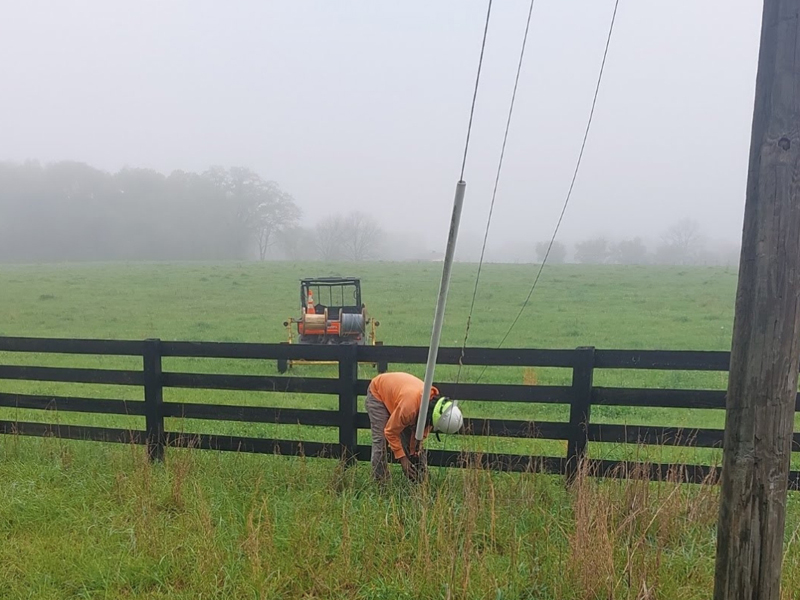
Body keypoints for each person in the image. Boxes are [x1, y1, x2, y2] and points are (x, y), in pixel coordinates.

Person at [365, 371, 464, 482]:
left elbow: (418, 435)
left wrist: (414, 452)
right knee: (381, 441)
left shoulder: (434, 408)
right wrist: (403, 460)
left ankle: (421, 480)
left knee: (414, 446)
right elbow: (390, 432)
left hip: (401, 397)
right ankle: (381, 483)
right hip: (378, 392)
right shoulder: (409, 409)